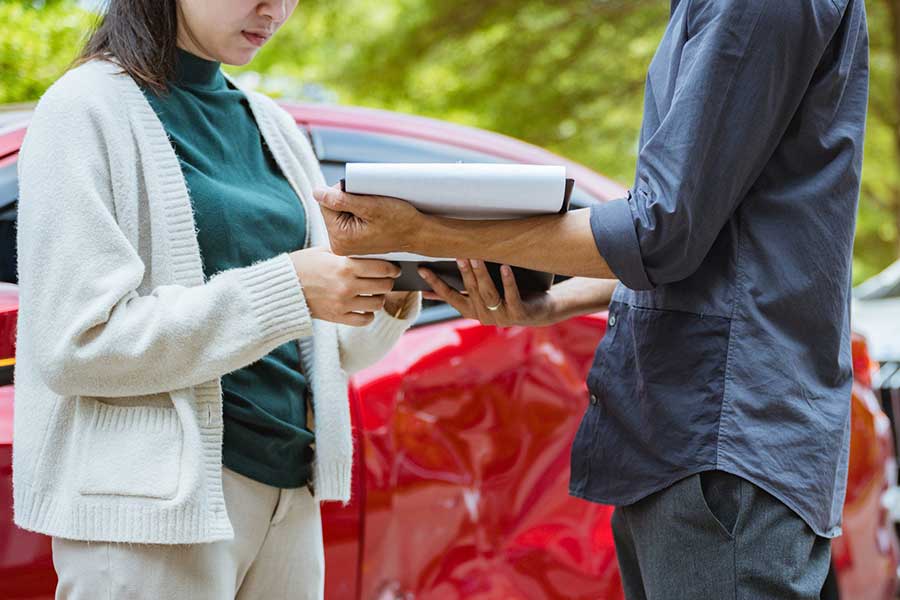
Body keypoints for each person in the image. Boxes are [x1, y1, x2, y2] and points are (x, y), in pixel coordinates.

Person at [312, 1, 870, 597]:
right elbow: (709, 238)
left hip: (721, 443)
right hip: (698, 439)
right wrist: (554, 301)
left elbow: (660, 232)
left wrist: (422, 233)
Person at [13, 1, 421, 598]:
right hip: (153, 519)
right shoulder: (85, 108)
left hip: (289, 494)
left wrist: (396, 284)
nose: (276, 9)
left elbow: (323, 350)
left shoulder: (270, 122)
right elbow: (77, 343)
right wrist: (291, 285)